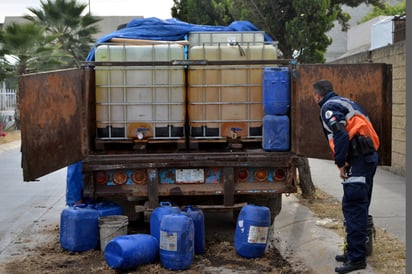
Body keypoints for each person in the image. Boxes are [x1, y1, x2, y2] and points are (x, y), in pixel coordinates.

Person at [312, 80, 379, 274]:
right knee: (359, 205)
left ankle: (357, 258)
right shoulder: (345, 102)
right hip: (366, 156)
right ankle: (353, 251)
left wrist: (340, 163)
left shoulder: (328, 107)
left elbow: (340, 134)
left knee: (354, 207)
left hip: (358, 159)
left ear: (317, 95)